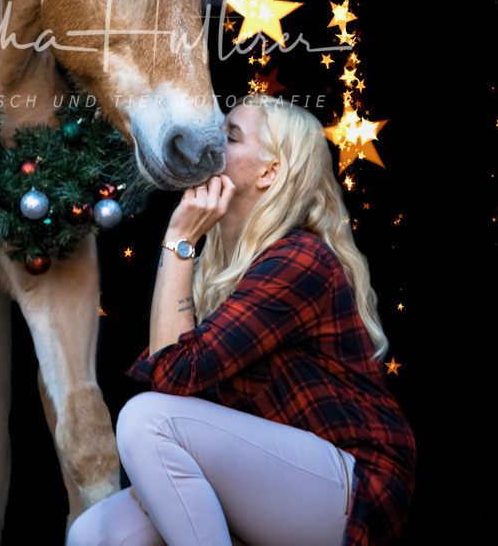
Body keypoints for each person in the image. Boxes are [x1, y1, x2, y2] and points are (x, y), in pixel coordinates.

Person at [68, 94, 415, 546]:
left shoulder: (300, 259)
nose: (213, 146)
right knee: (93, 533)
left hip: (354, 486)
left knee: (145, 420)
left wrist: (178, 238)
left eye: (230, 137)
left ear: (270, 172)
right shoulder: (223, 269)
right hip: (272, 475)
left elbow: (171, 379)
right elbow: (178, 386)